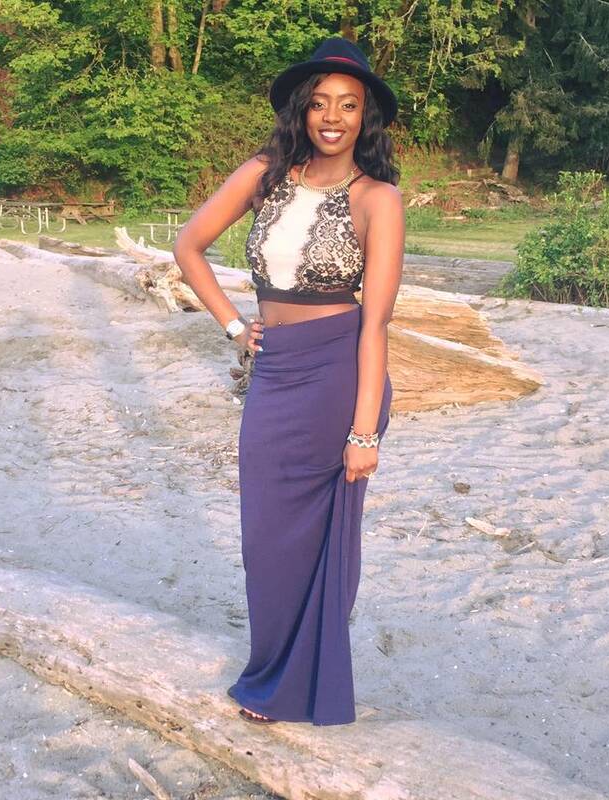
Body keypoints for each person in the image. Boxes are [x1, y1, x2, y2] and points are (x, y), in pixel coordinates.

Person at [173, 36, 404, 726]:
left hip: (338, 376)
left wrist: (364, 432)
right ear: (303, 109)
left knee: (324, 540)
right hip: (275, 371)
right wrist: (233, 326)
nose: (333, 117)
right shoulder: (264, 174)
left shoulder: (378, 199)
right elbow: (188, 245)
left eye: (349, 105)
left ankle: (295, 688)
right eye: (321, 103)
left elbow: (375, 324)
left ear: (365, 117)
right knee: (266, 539)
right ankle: (273, 669)